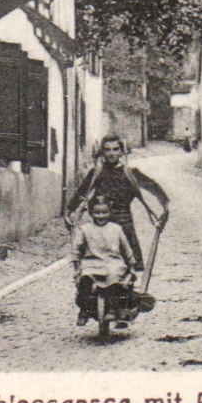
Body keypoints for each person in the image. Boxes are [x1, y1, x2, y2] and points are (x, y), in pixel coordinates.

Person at [65, 134, 170, 275]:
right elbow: (81, 192)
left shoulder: (130, 173)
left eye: (115, 149)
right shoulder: (97, 173)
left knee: (127, 264)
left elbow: (152, 186)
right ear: (102, 152)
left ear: (121, 151)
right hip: (100, 222)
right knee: (98, 262)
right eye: (107, 150)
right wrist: (69, 211)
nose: (111, 153)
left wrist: (165, 204)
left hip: (123, 221)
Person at [71, 195, 137, 325]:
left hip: (112, 261)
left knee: (114, 278)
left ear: (110, 212)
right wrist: (76, 264)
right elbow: (77, 247)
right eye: (97, 212)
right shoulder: (85, 229)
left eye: (104, 212)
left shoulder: (116, 229)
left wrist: (131, 264)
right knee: (85, 278)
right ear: (91, 213)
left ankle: (113, 308)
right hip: (92, 262)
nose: (101, 216)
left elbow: (126, 248)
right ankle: (85, 308)